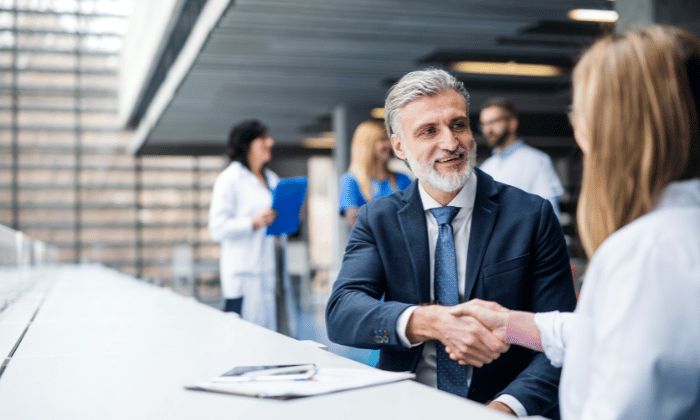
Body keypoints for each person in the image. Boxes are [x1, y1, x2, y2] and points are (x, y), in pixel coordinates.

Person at [449, 25, 700, 420]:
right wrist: (513, 325)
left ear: (613, 127)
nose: (576, 126)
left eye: (580, 112)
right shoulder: (674, 233)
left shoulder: (646, 252)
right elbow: (626, 336)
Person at [325, 68, 577, 418]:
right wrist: (430, 321)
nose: (451, 142)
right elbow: (343, 312)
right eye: (429, 130)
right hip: (407, 405)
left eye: (458, 125)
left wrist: (506, 408)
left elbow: (560, 338)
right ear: (399, 146)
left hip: (504, 403)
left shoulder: (531, 216)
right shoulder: (378, 219)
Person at [208, 120, 281, 330]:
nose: (270, 142)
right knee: (244, 339)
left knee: (270, 339)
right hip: (243, 275)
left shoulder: (272, 179)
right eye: (263, 138)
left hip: (268, 272)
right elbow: (217, 228)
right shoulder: (229, 179)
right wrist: (253, 223)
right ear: (246, 144)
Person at [479, 98, 564, 217]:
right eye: (484, 124)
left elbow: (549, 214)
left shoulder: (537, 161)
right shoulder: (486, 168)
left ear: (512, 123)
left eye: (494, 121)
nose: (488, 129)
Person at [339, 119, 412, 227]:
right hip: (369, 244)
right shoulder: (350, 180)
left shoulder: (403, 179)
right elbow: (354, 221)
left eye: (388, 139)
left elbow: (414, 213)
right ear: (368, 145)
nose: (388, 145)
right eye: (382, 140)